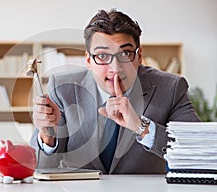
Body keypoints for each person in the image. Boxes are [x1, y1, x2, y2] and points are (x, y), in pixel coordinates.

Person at [30, 8, 201, 174]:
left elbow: (198, 151)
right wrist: (47, 136)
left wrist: (141, 127)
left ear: (139, 56)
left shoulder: (171, 88)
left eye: (125, 54)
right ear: (88, 60)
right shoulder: (62, 89)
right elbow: (40, 169)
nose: (115, 68)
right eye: (102, 56)